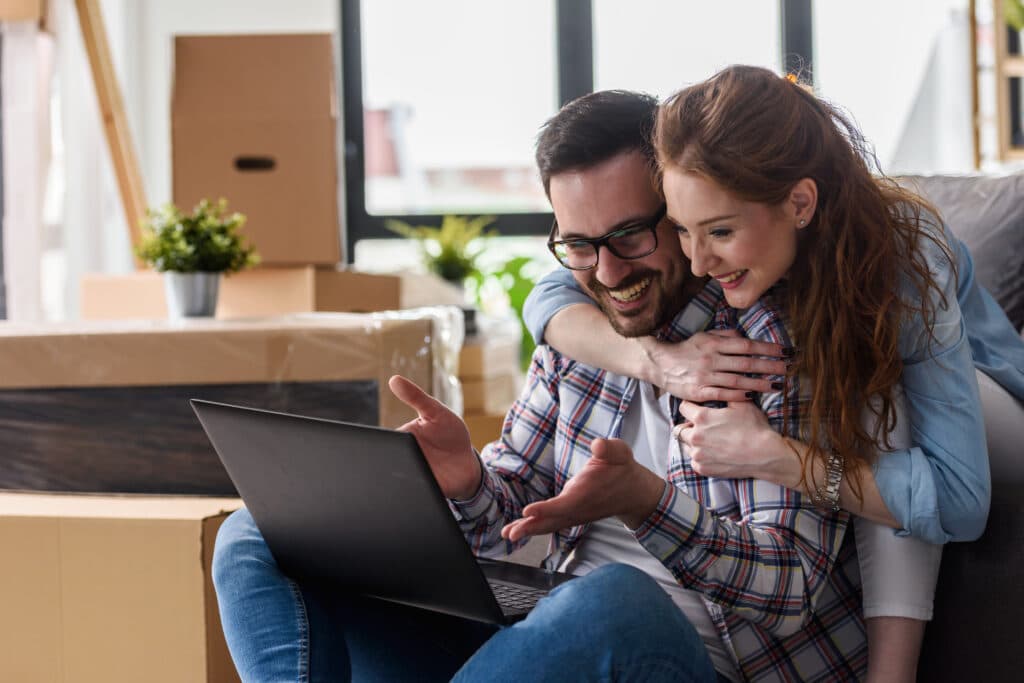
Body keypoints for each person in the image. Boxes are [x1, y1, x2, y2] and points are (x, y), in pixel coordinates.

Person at [212, 89, 870, 682]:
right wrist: (466, 478)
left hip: (697, 658)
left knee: (614, 599)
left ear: (679, 205)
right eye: (580, 246)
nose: (608, 273)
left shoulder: (772, 346)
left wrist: (647, 503)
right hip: (543, 638)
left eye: (629, 236)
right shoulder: (579, 341)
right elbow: (513, 515)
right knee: (257, 532)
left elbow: (790, 590)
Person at [521, 66, 1024, 682]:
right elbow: (547, 298)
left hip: (992, 400)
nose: (697, 261)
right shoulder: (721, 191)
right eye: (681, 230)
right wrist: (661, 360)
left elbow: (956, 501)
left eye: (719, 233)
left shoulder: (900, 260)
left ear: (801, 204)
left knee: (874, 392)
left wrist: (778, 456)